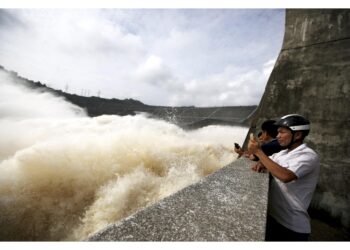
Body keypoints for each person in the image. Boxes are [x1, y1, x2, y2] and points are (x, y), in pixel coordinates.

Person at [248, 114, 320, 241]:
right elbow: (269, 162)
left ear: (297, 135)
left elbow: (285, 176)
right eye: (277, 132)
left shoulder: (308, 155)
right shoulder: (283, 153)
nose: (277, 136)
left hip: (291, 225)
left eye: (282, 132)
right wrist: (261, 163)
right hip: (273, 216)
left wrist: (258, 152)